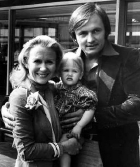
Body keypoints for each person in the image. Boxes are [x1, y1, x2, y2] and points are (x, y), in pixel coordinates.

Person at [1, 2, 140, 167]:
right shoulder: (65, 58)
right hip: (68, 149)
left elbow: (137, 103)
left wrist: (91, 117)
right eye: (83, 33)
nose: (90, 39)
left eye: (96, 30)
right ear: (74, 36)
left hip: (114, 151)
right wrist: (8, 107)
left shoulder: (129, 57)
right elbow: (37, 85)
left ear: (106, 31)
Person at [7, 35, 81, 167]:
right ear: (25, 61)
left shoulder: (53, 89)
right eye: (37, 61)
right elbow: (26, 151)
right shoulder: (20, 96)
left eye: (49, 62)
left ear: (57, 64)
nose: (43, 68)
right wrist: (64, 147)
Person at [54, 52, 97, 167]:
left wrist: (79, 126)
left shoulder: (82, 91)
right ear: (59, 73)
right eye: (66, 70)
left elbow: (90, 109)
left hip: (73, 130)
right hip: (58, 128)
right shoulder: (56, 88)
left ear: (81, 75)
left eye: (74, 71)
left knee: (64, 144)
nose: (70, 74)